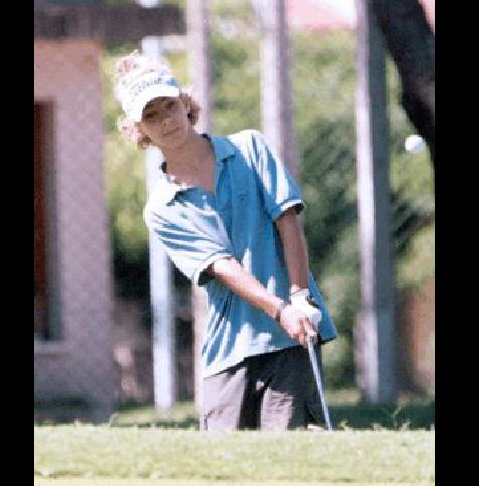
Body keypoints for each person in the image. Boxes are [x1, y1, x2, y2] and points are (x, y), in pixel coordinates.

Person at [112, 52, 337, 430]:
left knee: (287, 455)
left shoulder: (250, 148)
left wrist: (299, 296)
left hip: (291, 334)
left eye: (170, 105)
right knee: (223, 454)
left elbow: (288, 221)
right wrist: (279, 308)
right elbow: (222, 265)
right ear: (138, 131)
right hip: (229, 345)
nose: (166, 120)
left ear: (186, 103)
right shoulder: (162, 208)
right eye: (151, 115)